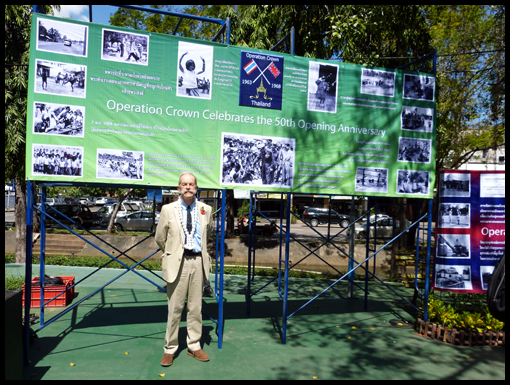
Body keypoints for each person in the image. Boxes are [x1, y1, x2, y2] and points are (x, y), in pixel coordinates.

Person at [155, 172, 213, 367]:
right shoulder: (167, 209)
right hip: (177, 263)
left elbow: (208, 233)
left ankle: (194, 346)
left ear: (197, 187)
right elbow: (159, 237)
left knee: (195, 308)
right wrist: (171, 253)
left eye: (191, 184)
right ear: (178, 188)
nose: (188, 187)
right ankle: (170, 349)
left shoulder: (206, 209)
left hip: (198, 262)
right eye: (184, 184)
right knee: (175, 308)